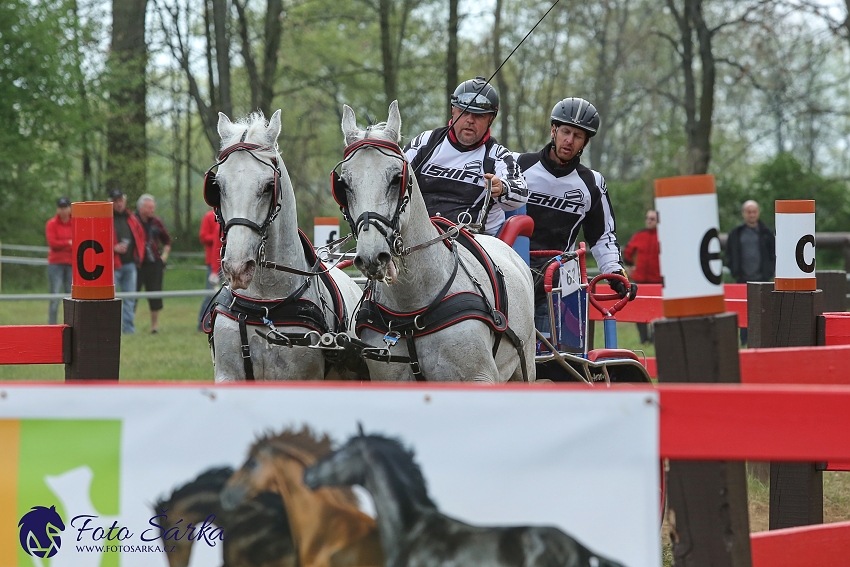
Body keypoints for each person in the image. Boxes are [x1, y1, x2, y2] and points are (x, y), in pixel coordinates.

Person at [517, 97, 635, 339]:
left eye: (578, 136)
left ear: (586, 142)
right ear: (553, 130)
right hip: (513, 275)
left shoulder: (592, 183)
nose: (569, 140)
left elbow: (602, 236)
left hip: (560, 281)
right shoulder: (518, 165)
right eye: (565, 131)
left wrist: (615, 273)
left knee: (557, 361)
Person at [404, 76, 527, 235]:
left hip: (473, 241)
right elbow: (395, 178)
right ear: (453, 110)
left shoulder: (498, 155)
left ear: (491, 119)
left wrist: (502, 188)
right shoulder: (425, 142)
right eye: (464, 112)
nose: (470, 120)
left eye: (479, 115)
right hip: (417, 237)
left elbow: (522, 192)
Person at [725, 199, 775, 346]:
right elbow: (729, 254)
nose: (752, 214)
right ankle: (744, 340)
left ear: (758, 213)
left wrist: (769, 271)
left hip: (763, 279)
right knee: (744, 310)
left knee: (764, 310)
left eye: (754, 212)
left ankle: (764, 339)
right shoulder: (736, 234)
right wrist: (734, 269)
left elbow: (773, 254)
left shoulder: (766, 233)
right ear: (743, 214)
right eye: (749, 212)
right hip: (742, 279)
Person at [110, 188, 146, 334]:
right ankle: (111, 329)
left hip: (130, 263)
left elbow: (140, 237)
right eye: (116, 201)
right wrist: (113, 248)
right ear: (110, 202)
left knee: (130, 298)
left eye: (121, 200)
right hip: (113, 265)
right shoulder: (106, 218)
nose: (119, 204)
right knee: (111, 300)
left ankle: (128, 328)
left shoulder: (131, 218)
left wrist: (139, 256)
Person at [135, 194, 172, 334]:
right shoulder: (133, 221)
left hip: (154, 263)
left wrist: (164, 256)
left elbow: (167, 241)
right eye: (150, 207)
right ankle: (129, 325)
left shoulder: (157, 222)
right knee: (133, 294)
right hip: (137, 264)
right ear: (141, 208)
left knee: (155, 295)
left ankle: (154, 327)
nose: (152, 210)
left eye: (153, 207)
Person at [623, 210, 661, 344]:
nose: (649, 221)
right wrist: (630, 266)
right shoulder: (640, 235)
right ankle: (644, 339)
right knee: (640, 310)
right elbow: (628, 251)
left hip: (657, 280)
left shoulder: (664, 235)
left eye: (652, 219)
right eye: (648, 218)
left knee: (657, 310)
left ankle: (655, 338)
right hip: (640, 279)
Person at [45, 197, 73, 324]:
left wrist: (64, 244)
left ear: (70, 208)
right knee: (55, 296)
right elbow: (53, 244)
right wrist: (68, 243)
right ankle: (52, 325)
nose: (63, 210)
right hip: (55, 264)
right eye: (61, 207)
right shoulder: (51, 224)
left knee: (71, 297)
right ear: (57, 209)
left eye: (65, 207)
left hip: (72, 264)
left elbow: (78, 242)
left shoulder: (76, 222)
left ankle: (71, 324)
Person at [197, 209, 223, 331]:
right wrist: (218, 237)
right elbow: (203, 237)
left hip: (225, 261)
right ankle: (203, 323)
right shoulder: (209, 217)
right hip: (213, 262)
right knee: (210, 294)